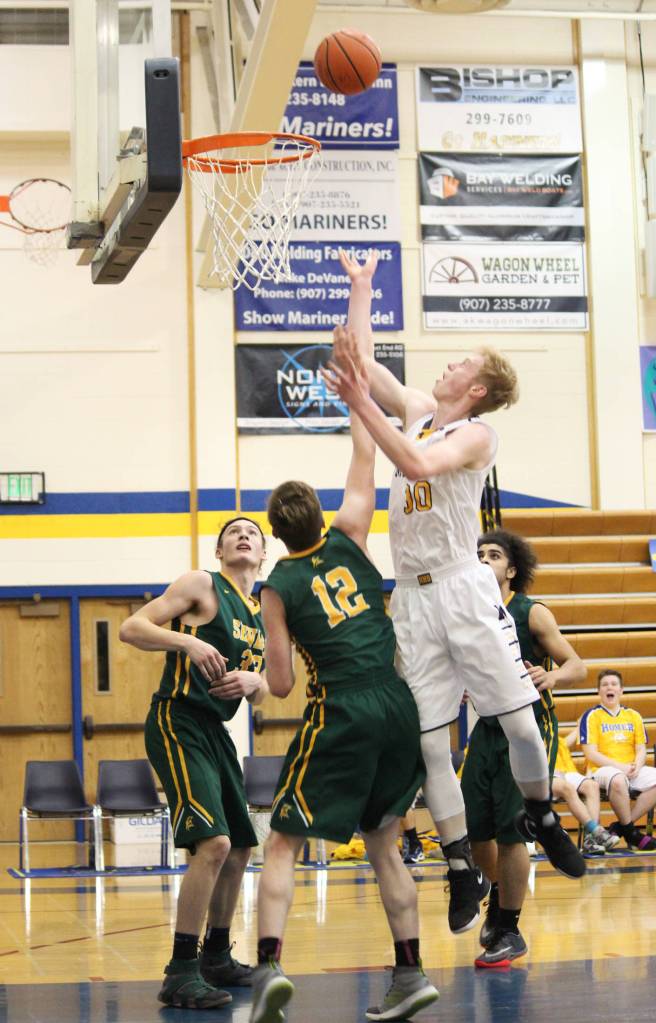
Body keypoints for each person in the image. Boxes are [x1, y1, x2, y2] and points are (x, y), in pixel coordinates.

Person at [324, 257, 586, 935]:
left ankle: (542, 814)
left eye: (460, 362)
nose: (446, 365)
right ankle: (461, 863)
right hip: (411, 600)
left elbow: (413, 463)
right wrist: (361, 291)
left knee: (521, 725)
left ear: (476, 387)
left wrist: (358, 402)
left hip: (463, 589)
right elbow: (368, 369)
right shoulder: (416, 413)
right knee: (429, 744)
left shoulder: (476, 435)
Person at [249, 326, 438, 1023]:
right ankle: (410, 973)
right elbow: (365, 451)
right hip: (398, 700)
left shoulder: (277, 585)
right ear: (316, 512)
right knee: (385, 842)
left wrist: (273, 660)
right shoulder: (351, 532)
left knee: (283, 839)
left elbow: (280, 685)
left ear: (275, 532)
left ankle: (268, 966)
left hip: (345, 709)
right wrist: (357, 390)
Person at [119, 518, 269, 1009]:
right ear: (220, 550)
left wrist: (256, 684)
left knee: (241, 846)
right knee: (214, 844)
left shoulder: (262, 614)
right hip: (177, 719)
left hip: (214, 731)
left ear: (263, 553)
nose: (243, 535)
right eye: (233, 532)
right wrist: (188, 641)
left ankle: (217, 956)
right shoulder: (202, 584)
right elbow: (131, 628)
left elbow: (268, 689)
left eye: (253, 533)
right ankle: (181, 972)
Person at [461, 529, 588, 969]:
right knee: (476, 831)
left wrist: (552, 676)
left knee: (512, 831)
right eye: (478, 554)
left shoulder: (531, 612)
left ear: (512, 570)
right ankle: (499, 896)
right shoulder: (468, 612)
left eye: (493, 555)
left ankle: (510, 928)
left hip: (530, 726)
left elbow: (577, 665)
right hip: (485, 729)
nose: (483, 560)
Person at [580, 669, 656, 850]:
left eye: (614, 684)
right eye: (605, 685)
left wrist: (637, 765)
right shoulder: (591, 716)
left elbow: (641, 749)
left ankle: (621, 828)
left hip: (630, 769)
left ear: (621, 690)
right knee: (618, 780)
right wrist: (621, 767)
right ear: (598, 691)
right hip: (600, 770)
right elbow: (591, 753)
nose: (609, 687)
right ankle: (631, 833)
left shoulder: (633, 715)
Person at [552, 729, 620, 855]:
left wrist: (580, 726)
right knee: (567, 788)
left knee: (592, 786)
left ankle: (591, 839)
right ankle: (596, 830)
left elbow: (564, 742)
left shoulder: (549, 728)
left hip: (568, 772)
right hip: (548, 773)